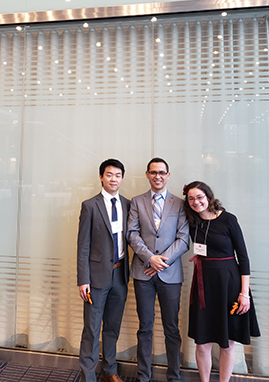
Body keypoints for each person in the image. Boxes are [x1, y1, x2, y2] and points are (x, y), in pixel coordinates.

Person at [183, 181, 260, 382]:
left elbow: (243, 258)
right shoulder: (191, 221)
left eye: (199, 197)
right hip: (203, 285)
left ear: (208, 196)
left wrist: (244, 294)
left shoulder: (228, 219)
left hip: (229, 285)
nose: (196, 202)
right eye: (191, 198)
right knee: (202, 342)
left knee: (227, 342)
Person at [127, 157, 189, 382]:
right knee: (145, 327)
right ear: (147, 174)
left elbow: (183, 239)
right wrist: (149, 258)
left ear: (168, 175)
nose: (158, 176)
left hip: (170, 275)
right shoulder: (136, 201)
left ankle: (174, 376)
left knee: (171, 328)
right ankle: (144, 376)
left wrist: (162, 261)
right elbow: (131, 233)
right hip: (143, 273)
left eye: (162, 172)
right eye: (153, 172)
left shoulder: (179, 203)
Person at [77, 158, 130, 382]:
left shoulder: (128, 204)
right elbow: (83, 245)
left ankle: (110, 370)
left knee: (112, 327)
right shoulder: (90, 205)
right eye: (109, 174)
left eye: (117, 175)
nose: (113, 179)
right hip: (96, 278)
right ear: (101, 177)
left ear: (121, 178)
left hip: (120, 275)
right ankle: (88, 376)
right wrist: (83, 279)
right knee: (91, 328)